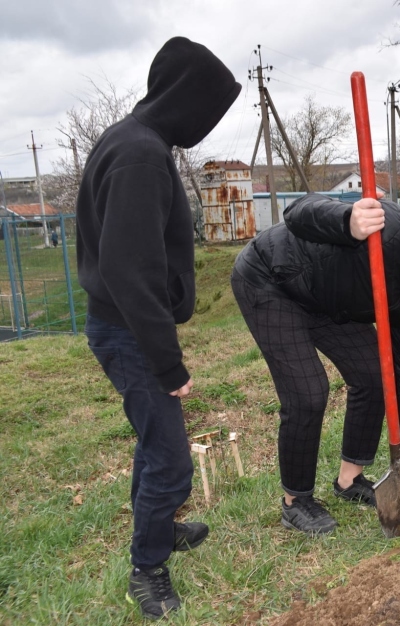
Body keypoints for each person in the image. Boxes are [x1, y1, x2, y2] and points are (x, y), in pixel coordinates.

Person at [76, 37, 241, 620]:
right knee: (171, 459)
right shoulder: (141, 155)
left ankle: (160, 527)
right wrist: (168, 364)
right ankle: (147, 569)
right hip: (128, 331)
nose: (209, 122)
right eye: (210, 108)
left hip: (122, 325)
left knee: (155, 441)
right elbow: (129, 269)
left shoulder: (133, 139)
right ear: (186, 97)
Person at [231, 193, 400, 537]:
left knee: (374, 376)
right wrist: (347, 221)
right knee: (308, 392)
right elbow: (298, 211)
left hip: (327, 299)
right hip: (272, 278)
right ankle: (295, 501)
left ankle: (349, 479)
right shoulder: (394, 232)